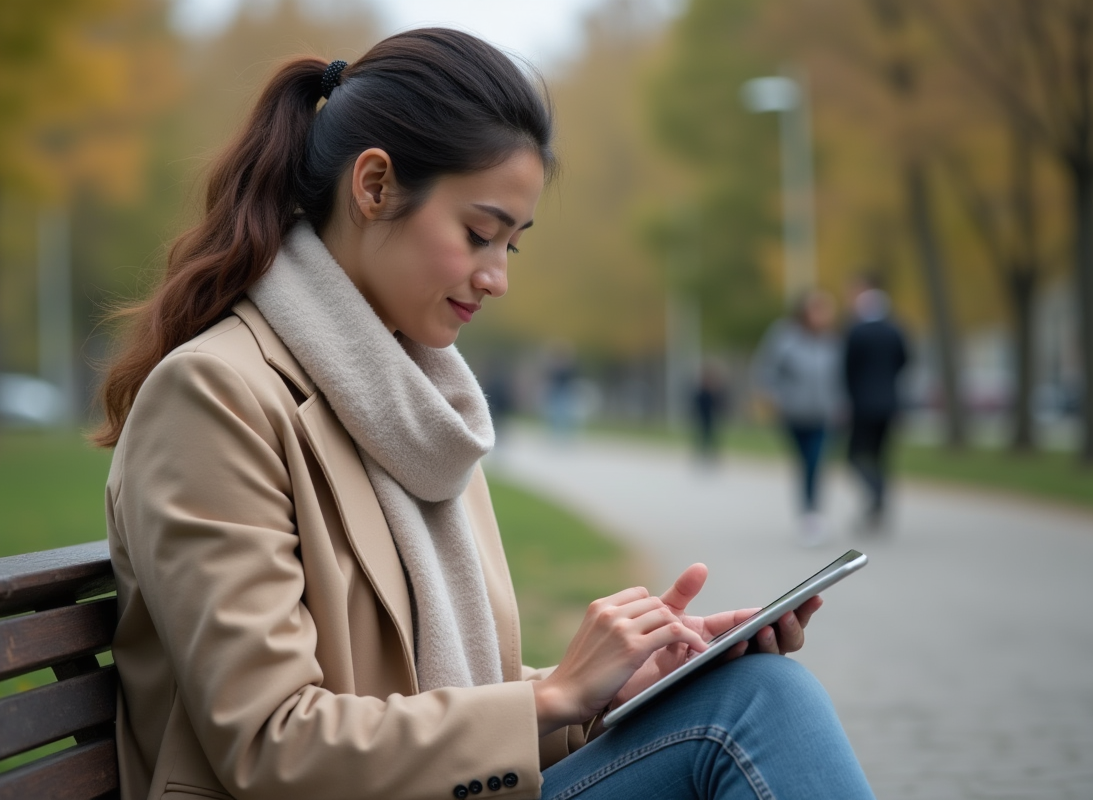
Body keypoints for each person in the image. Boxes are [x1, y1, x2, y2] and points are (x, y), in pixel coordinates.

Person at [93, 30, 873, 800]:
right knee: (758, 710)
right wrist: (553, 695)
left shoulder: (420, 409)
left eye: (511, 246)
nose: (497, 278)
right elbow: (271, 744)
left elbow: (454, 692)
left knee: (754, 691)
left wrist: (610, 688)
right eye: (478, 235)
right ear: (373, 187)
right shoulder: (215, 397)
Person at [753, 290, 843, 546]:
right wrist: (775, 397)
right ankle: (808, 513)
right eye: (818, 310)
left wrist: (842, 403)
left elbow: (840, 377)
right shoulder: (784, 337)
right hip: (793, 413)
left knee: (816, 461)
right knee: (804, 462)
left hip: (824, 414)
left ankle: (811, 514)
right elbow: (766, 370)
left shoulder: (832, 341)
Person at [842, 276, 909, 530]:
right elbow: (905, 360)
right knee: (881, 456)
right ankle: (878, 499)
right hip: (889, 403)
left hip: (862, 405)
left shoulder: (856, 332)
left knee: (854, 455)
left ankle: (876, 492)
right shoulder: (895, 330)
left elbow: (847, 368)